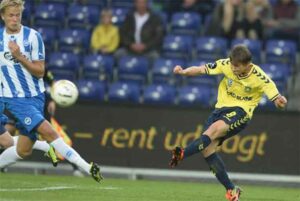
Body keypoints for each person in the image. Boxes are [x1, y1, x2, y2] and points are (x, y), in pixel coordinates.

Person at [0, 0, 102, 182]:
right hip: (9, 97)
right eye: (10, 15)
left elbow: (40, 72)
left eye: (18, 15)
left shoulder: (32, 37)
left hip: (32, 97)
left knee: (23, 150)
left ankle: (47, 148)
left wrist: (19, 57)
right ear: (3, 16)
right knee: (43, 133)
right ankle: (87, 167)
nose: (14, 19)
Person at [170, 45, 287, 201]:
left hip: (241, 112)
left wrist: (280, 102)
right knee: (207, 150)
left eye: (237, 66)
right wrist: (183, 71)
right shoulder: (226, 65)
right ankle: (232, 190)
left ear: (248, 65)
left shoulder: (260, 77)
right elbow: (201, 69)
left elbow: (277, 99)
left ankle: (183, 153)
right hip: (220, 109)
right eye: (232, 64)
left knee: (214, 130)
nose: (233, 68)